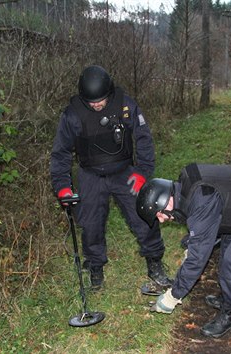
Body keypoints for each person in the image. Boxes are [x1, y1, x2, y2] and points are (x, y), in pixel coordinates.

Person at [50, 65, 171, 291]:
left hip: (124, 173)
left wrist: (142, 172)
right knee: (91, 224)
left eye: (100, 100)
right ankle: (95, 267)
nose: (96, 105)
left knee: (145, 216)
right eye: (91, 101)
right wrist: (63, 187)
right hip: (90, 174)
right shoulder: (72, 114)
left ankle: (155, 263)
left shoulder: (125, 105)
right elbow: (61, 152)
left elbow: (143, 139)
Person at [136, 163, 231, 338]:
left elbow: (197, 257)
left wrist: (173, 296)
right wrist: (194, 242)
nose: (162, 220)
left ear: (164, 201)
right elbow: (205, 223)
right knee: (226, 249)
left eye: (159, 214)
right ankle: (228, 297)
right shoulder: (185, 187)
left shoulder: (201, 198)